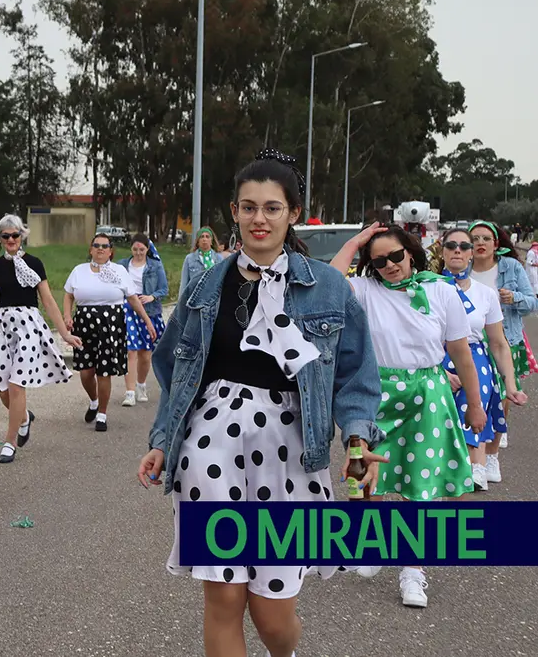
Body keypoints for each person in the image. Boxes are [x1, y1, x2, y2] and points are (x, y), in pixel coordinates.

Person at [138, 149, 386, 657]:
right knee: (223, 599)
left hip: (291, 451)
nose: (259, 218)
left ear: (293, 213)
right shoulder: (207, 283)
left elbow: (356, 375)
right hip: (209, 450)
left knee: (273, 616)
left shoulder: (329, 287)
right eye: (248, 207)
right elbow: (177, 366)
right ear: (233, 211)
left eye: (272, 208)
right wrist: (163, 441)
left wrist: (357, 442)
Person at [330, 222, 484, 609]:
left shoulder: (440, 290)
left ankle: (413, 571)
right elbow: (330, 281)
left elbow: (461, 352)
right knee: (365, 476)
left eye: (396, 256)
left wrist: (476, 403)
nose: (390, 265)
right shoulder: (364, 290)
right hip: (376, 391)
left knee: (422, 486)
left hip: (427, 394)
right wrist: (355, 242)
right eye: (379, 260)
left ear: (411, 252)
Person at [0, 214, 81, 464]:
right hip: (3, 327)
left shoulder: (34, 263)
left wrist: (64, 333)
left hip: (28, 327)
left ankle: (9, 443)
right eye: (5, 236)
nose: (11, 239)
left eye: (15, 235)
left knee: (16, 383)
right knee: (2, 388)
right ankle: (23, 418)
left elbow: (48, 301)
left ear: (22, 236)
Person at [435, 229, 526, 490]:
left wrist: (511, 385)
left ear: (471, 253)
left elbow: (498, 344)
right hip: (436, 357)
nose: (458, 250)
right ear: (442, 250)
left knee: (475, 394)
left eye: (464, 246)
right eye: (451, 245)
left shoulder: (486, 294)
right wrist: (440, 371)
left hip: (474, 355)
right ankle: (452, 467)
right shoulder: (428, 287)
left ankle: (475, 466)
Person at [61, 233, 154, 431]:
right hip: (84, 323)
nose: (100, 249)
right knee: (86, 372)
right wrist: (67, 316)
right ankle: (93, 401)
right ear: (91, 249)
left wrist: (147, 321)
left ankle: (102, 414)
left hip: (110, 323)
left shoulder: (119, 271)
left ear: (111, 251)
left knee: (104, 371)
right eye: (96, 245)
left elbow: (132, 298)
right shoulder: (79, 271)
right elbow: (68, 295)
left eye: (105, 246)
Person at [467, 220, 535, 470]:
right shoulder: (462, 267)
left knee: (503, 397)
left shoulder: (511, 267)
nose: (480, 243)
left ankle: (492, 453)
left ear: (496, 244)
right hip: (471, 343)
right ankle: (477, 456)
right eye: (474, 239)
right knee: (472, 396)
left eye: (486, 239)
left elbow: (532, 303)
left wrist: (514, 297)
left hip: (505, 340)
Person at [117, 233, 168, 406]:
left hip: (149, 311)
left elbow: (163, 289)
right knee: (130, 350)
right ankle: (129, 392)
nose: (138, 253)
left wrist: (152, 296)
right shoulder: (122, 265)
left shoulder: (155, 266)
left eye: (142, 249)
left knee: (145, 354)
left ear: (147, 249)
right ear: (131, 249)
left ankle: (141, 385)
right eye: (135, 249)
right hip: (128, 310)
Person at [181, 227, 225, 297]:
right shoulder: (190, 258)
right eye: (202, 237)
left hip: (212, 300)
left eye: (207, 237)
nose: (204, 239)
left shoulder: (219, 258)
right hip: (194, 300)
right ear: (198, 241)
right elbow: (184, 284)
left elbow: (223, 282)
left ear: (211, 241)